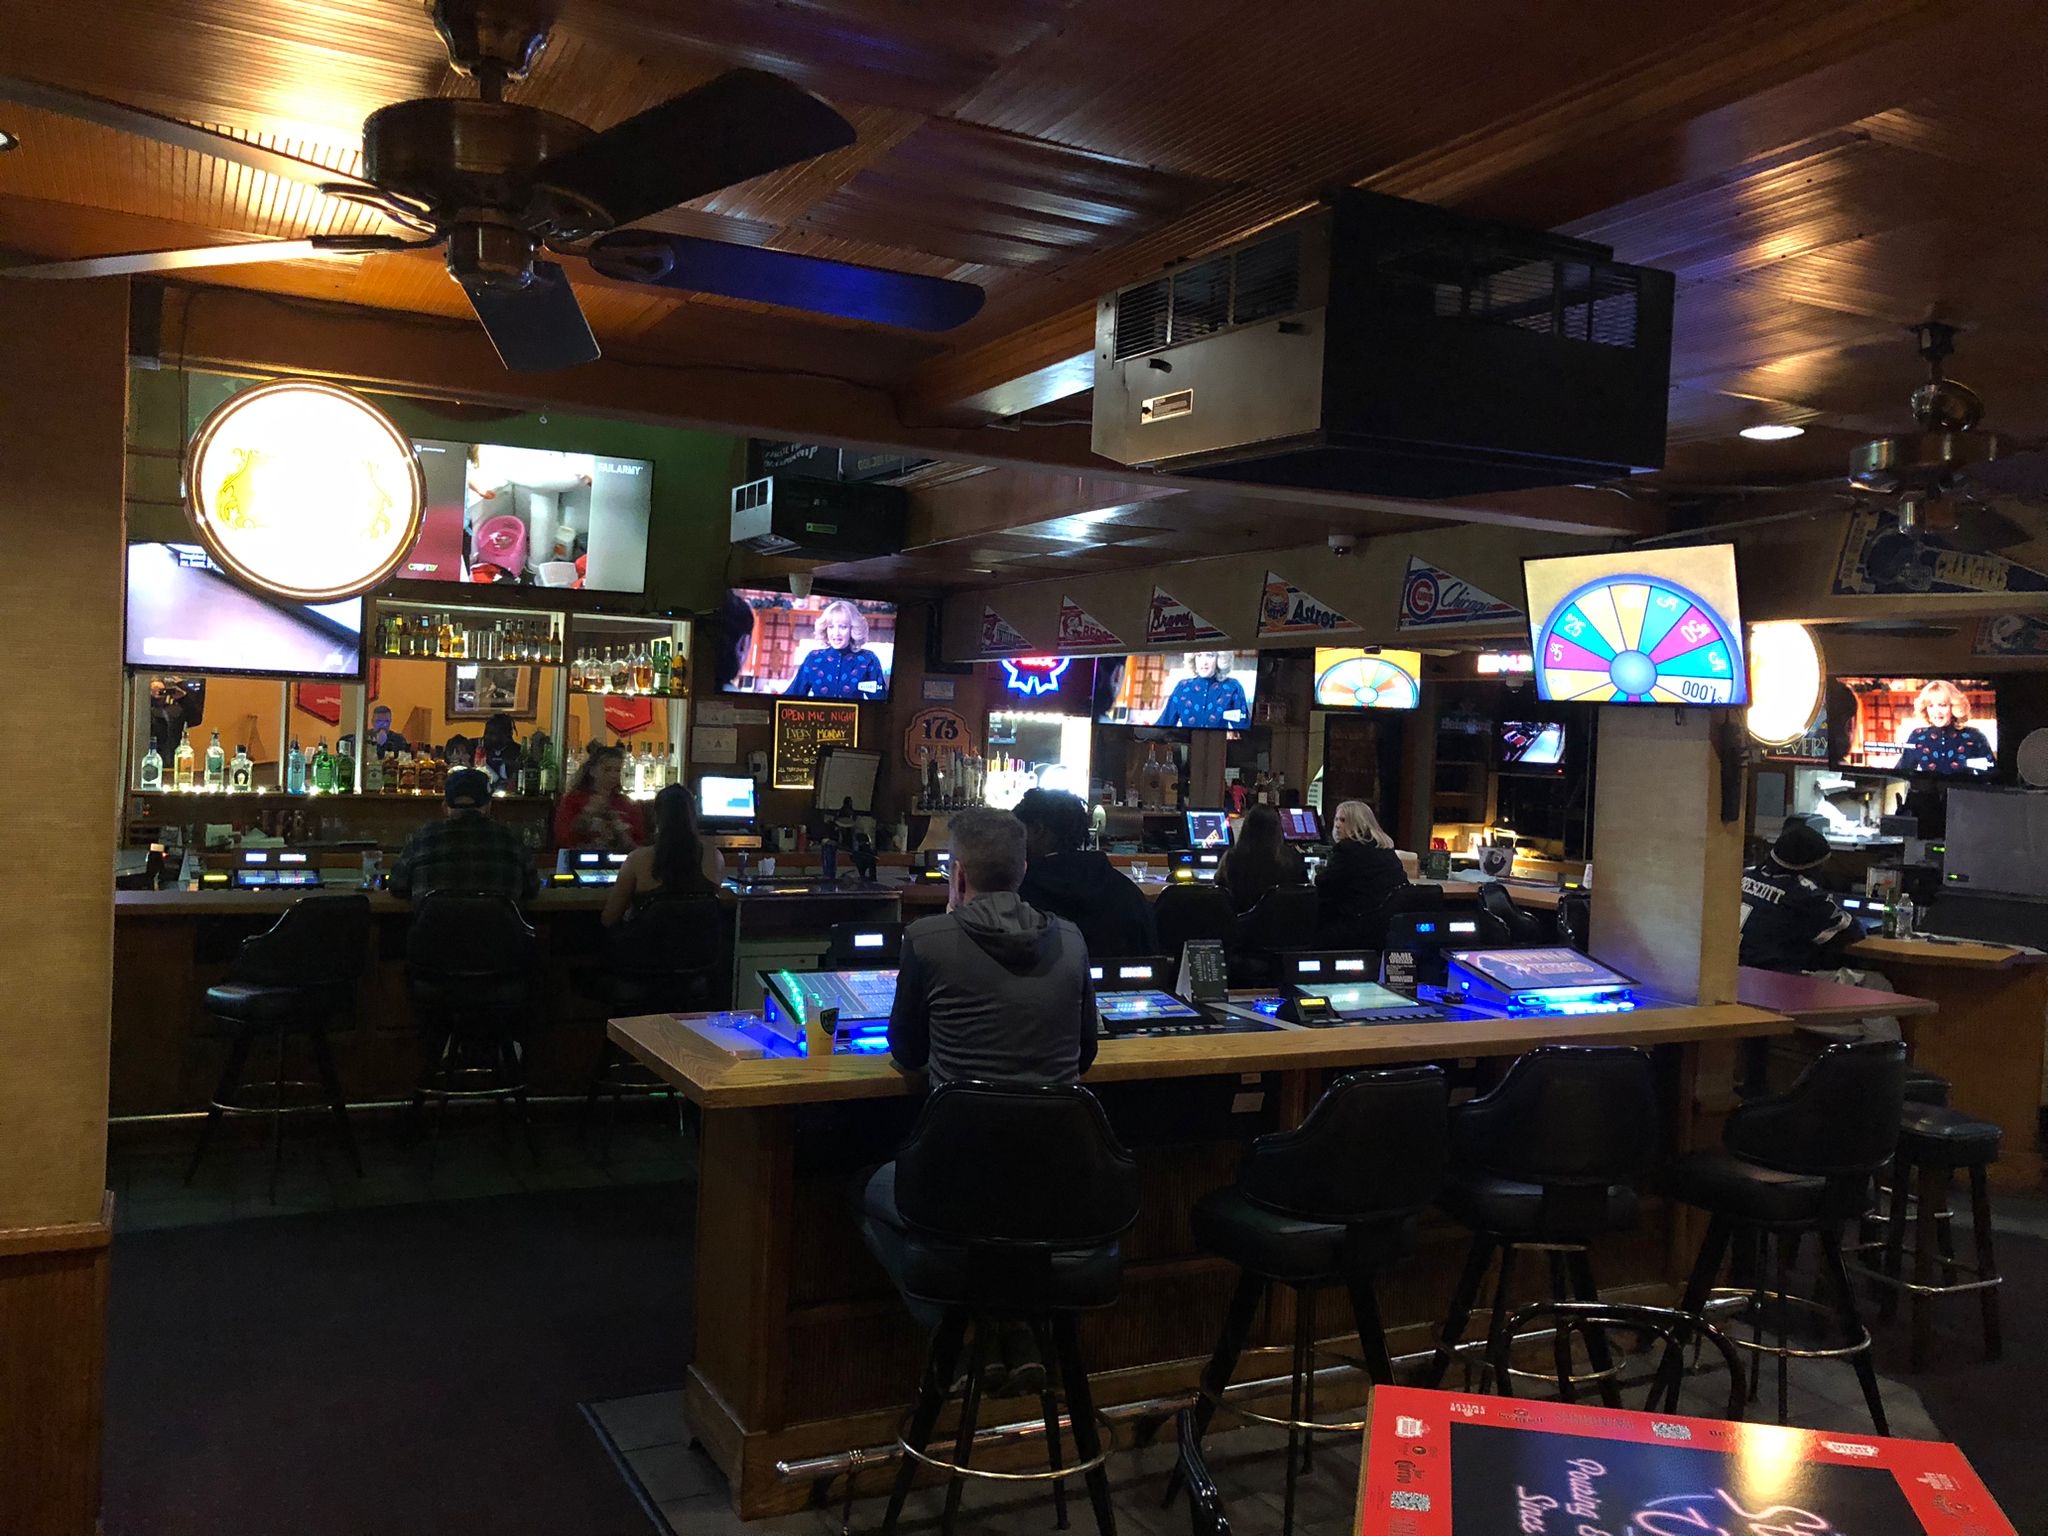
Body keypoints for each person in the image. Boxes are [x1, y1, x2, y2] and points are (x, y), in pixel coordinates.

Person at [867, 807, 1096, 1393]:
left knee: (867, 1192)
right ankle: (1015, 1327)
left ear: (959, 875)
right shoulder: (1072, 940)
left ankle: (963, 1334)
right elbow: (1085, 1053)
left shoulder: (927, 940)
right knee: (1013, 1223)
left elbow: (907, 1052)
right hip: (1061, 1192)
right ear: (1023, 872)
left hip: (955, 1190)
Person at [1014, 787, 1154, 958]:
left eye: (1018, 831)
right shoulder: (1125, 890)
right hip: (1122, 976)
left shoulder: (1021, 894)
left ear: (1038, 829)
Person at [388, 768, 539, 903]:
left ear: (445, 806)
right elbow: (532, 889)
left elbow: (396, 885)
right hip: (497, 926)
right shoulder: (511, 839)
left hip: (438, 926)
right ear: (488, 806)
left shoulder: (424, 837)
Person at [1739, 820, 1860, 973]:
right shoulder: (1806, 895)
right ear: (1814, 866)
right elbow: (1852, 932)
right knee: (1876, 981)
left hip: (1733, 972)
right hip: (1773, 980)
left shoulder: (1744, 874)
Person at [602, 783, 726, 926]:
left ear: (656, 817)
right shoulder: (715, 857)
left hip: (647, 940)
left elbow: (609, 919)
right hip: (701, 940)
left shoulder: (637, 859)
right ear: (693, 816)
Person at [1314, 799, 1410, 942]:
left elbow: (1324, 884)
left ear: (1358, 823)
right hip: (1389, 925)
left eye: (1343, 820)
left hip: (1359, 925)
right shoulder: (1384, 847)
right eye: (1336, 819)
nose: (1337, 825)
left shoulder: (1347, 849)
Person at [783, 598, 887, 700]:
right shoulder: (813, 658)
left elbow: (880, 702)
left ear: (853, 629)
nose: (836, 633)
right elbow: (791, 697)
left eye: (843, 627)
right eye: (831, 627)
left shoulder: (868, 659)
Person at [553, 743, 645, 851]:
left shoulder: (626, 804)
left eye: (617, 770)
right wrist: (586, 814)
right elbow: (562, 839)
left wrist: (620, 830)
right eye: (607, 769)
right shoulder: (573, 800)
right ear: (592, 771)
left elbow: (639, 846)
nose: (613, 775)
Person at [1216, 804, 1306, 913]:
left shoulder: (1231, 858)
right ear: (1277, 829)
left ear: (1246, 827)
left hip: (1241, 921)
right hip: (1282, 921)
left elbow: (1219, 892)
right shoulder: (1292, 859)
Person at [1894, 680, 1994, 777]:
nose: (1936, 712)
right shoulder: (1917, 736)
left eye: (1942, 705)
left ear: (1954, 707)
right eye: (1931, 706)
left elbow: (1991, 777)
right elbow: (1901, 774)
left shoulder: (1974, 736)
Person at [1154, 651, 1250, 729]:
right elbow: (1163, 725)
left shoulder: (1232, 687)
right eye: (1199, 655)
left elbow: (1244, 728)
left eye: (1209, 655)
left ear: (1220, 658)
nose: (1204, 662)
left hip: (1219, 746)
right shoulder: (1182, 687)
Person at [477, 712, 521, 787]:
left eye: (493, 733)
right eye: (486, 733)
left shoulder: (518, 752)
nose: (487, 737)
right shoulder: (480, 750)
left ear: (507, 734)